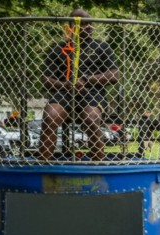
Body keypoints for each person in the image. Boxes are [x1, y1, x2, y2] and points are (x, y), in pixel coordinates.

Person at [38, 9, 119, 161]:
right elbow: (46, 79)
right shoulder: (59, 49)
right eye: (84, 24)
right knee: (50, 116)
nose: (89, 27)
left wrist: (87, 80)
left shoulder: (101, 47)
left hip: (92, 92)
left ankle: (98, 166)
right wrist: (65, 85)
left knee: (91, 118)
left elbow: (114, 75)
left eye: (90, 23)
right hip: (64, 92)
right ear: (71, 25)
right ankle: (43, 166)